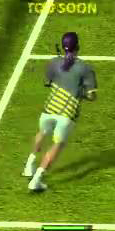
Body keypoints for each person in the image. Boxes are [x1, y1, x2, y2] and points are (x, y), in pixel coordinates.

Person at [25, 31, 98, 193]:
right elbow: (92, 95)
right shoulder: (85, 68)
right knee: (57, 144)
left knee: (42, 132)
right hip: (67, 115)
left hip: (49, 110)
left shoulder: (53, 63)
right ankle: (36, 180)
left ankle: (29, 165)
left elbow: (48, 82)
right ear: (78, 46)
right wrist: (82, 93)